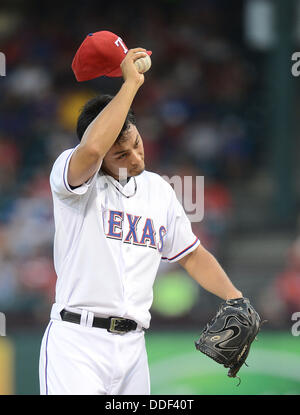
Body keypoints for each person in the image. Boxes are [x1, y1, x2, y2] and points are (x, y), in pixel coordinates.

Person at [39, 48, 243, 395]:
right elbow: (90, 151)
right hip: (77, 344)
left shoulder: (158, 190)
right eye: (120, 153)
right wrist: (131, 84)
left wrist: (235, 298)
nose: (136, 157)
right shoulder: (71, 179)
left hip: (133, 348)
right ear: (102, 154)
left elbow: (191, 254)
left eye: (136, 142)